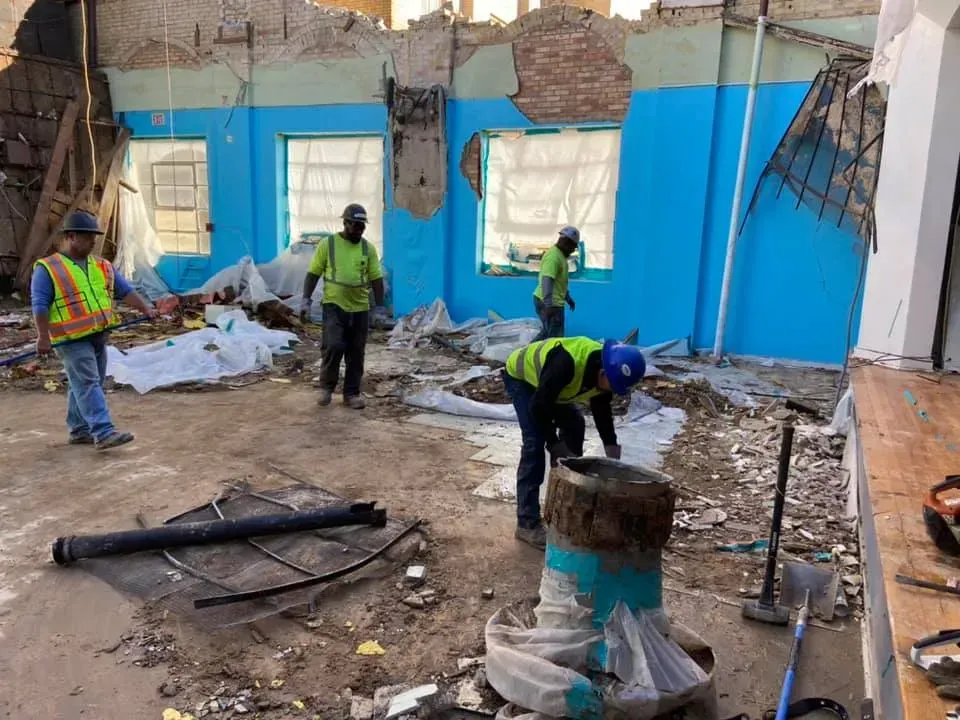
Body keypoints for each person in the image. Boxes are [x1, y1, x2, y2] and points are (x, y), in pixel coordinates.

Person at [503, 337, 647, 549]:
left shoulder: (606, 371)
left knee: (575, 423)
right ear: (603, 373)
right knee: (534, 442)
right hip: (522, 379)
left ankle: (563, 492)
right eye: (614, 386)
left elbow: (601, 409)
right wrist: (553, 443)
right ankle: (527, 523)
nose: (614, 391)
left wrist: (611, 445)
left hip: (549, 386)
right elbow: (538, 406)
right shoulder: (567, 363)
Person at [31, 210, 159, 450]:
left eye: (94, 236)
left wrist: (146, 309)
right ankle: (103, 431)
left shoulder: (102, 265)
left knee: (86, 383)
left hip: (99, 334)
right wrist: (43, 337)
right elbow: (39, 305)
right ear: (71, 236)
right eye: (87, 236)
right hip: (71, 339)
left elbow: (125, 291)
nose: (93, 241)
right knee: (88, 382)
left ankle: (79, 430)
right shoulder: (48, 269)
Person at [300, 203, 386, 410]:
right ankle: (327, 388)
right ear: (345, 223)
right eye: (355, 225)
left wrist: (380, 308)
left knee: (356, 352)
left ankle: (351, 393)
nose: (359, 230)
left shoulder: (368, 248)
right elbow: (313, 274)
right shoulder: (328, 245)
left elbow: (376, 279)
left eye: (362, 226)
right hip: (334, 305)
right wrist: (306, 300)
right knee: (334, 346)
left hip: (359, 308)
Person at [532, 226, 579, 340]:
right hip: (549, 302)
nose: (573, 250)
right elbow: (547, 281)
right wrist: (548, 305)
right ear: (567, 244)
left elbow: (559, 282)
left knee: (547, 333)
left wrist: (567, 298)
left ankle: (524, 353)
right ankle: (531, 355)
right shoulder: (554, 257)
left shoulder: (560, 256)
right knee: (554, 339)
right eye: (572, 247)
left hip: (552, 301)